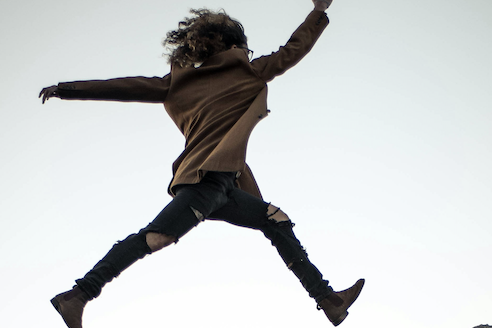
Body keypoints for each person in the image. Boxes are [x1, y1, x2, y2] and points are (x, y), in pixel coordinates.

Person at [39, 0, 363, 326]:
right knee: (156, 237)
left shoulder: (177, 84)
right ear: (234, 46)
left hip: (223, 186)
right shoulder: (247, 71)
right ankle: (78, 295)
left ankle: (329, 300)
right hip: (205, 183)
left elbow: (124, 87)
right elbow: (292, 50)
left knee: (275, 220)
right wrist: (319, 10)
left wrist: (67, 89)